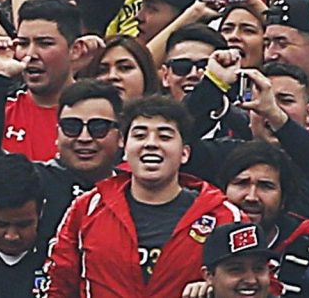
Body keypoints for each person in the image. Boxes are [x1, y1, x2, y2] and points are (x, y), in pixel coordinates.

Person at [44, 95, 243, 298]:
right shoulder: (87, 208)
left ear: (184, 153)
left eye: (164, 137)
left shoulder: (225, 216)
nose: (151, 144)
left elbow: (252, 286)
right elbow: (58, 287)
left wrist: (218, 291)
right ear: (124, 146)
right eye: (140, 136)